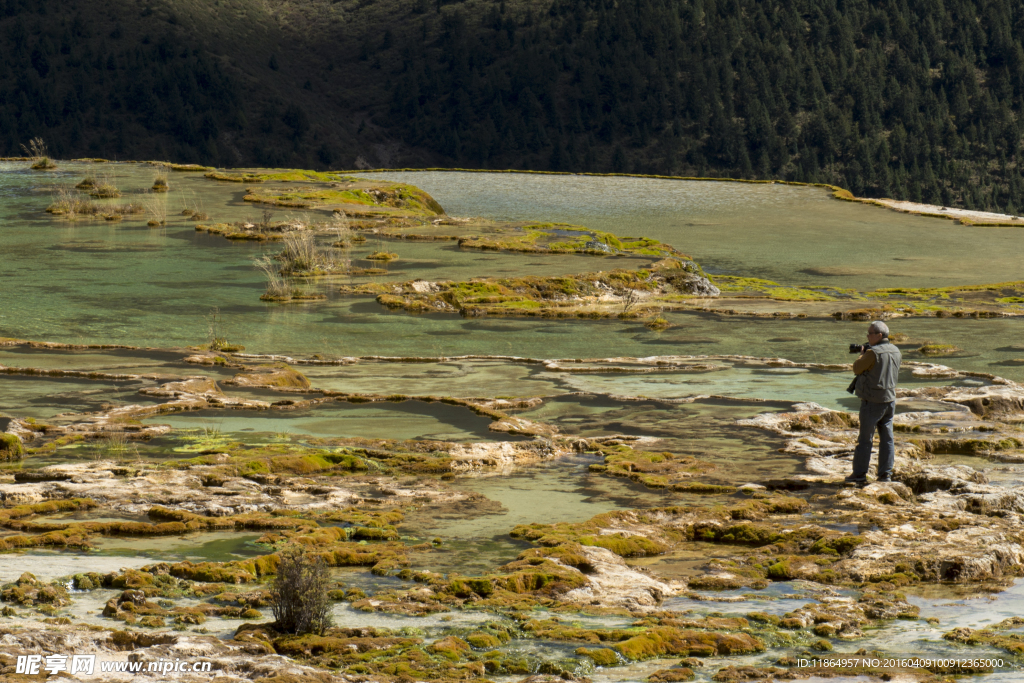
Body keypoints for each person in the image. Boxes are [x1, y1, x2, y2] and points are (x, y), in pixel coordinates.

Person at [845, 321, 902, 485]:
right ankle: (885, 475)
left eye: (870, 334)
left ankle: (859, 474)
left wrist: (862, 353)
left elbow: (857, 368)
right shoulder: (896, 350)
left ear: (879, 335)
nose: (867, 336)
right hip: (890, 400)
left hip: (872, 401)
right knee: (887, 439)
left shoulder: (873, 353)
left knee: (865, 439)